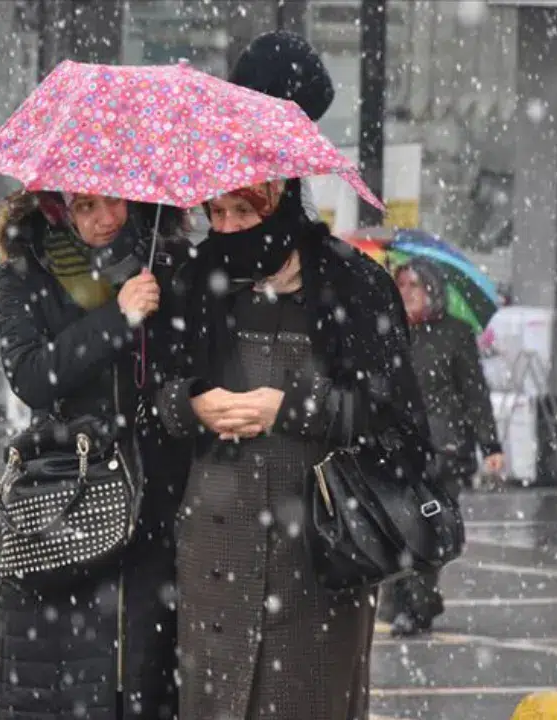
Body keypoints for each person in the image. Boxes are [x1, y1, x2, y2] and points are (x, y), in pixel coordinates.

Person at [154, 177, 432, 720]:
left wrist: (290, 408)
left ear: (279, 203)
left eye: (243, 211)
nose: (227, 227)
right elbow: (157, 401)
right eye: (217, 212)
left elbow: (396, 421)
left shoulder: (353, 284)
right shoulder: (193, 280)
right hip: (214, 552)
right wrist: (193, 405)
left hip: (319, 553)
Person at [0, 189, 193, 720]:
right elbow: (33, 377)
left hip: (155, 491)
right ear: (57, 209)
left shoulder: (165, 259)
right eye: (85, 207)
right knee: (63, 677)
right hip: (68, 492)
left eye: (114, 203)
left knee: (145, 673)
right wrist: (117, 318)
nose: (105, 219)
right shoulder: (27, 269)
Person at [380, 258, 504, 637]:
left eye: (413, 285)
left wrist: (490, 444)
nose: (406, 293)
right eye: (400, 285)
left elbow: (474, 394)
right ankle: (406, 602)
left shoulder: (455, 334)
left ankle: (416, 606)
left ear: (432, 290)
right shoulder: (388, 333)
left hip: (442, 450)